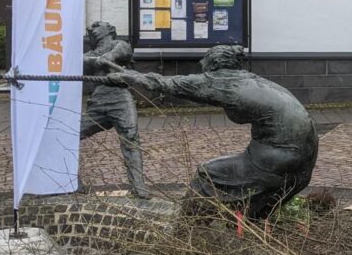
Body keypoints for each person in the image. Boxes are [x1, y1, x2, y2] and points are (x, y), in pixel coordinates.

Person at [115, 45, 318, 219]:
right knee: (255, 201)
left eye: (204, 63)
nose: (202, 66)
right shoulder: (248, 78)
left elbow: (166, 84)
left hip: (276, 158)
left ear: (214, 64)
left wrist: (129, 76)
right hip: (305, 155)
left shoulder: (221, 81)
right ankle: (248, 230)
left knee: (207, 176)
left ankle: (188, 235)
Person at [80, 21, 150, 198]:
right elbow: (82, 62)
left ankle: (139, 187)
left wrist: (109, 57)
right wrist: (95, 60)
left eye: (96, 25)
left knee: (131, 139)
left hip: (120, 99)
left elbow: (123, 51)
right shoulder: (89, 54)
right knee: (69, 134)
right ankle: (73, 182)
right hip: (97, 102)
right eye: (90, 27)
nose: (91, 29)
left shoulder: (119, 44)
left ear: (110, 29)